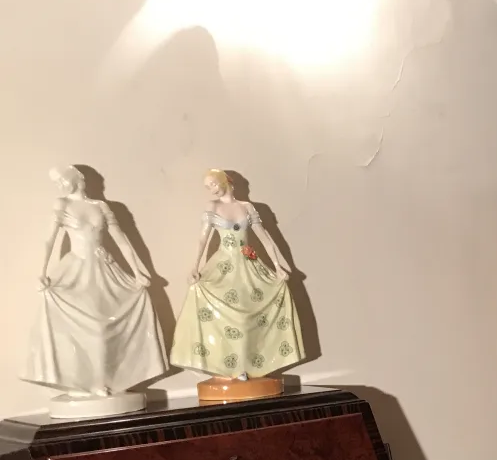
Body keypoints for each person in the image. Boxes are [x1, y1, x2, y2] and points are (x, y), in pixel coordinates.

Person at [24, 165, 167, 404]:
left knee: (109, 326)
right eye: (57, 182)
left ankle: (106, 380)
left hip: (105, 269)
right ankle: (87, 383)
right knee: (90, 329)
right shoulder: (62, 205)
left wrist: (139, 272)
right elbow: (48, 239)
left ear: (76, 179)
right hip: (77, 271)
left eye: (62, 180)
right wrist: (42, 272)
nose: (60, 185)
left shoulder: (101, 206)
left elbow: (122, 241)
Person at [170, 170, 305, 393]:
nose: (212, 188)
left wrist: (278, 265)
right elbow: (203, 238)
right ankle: (230, 366)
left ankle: (250, 365)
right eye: (208, 186)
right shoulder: (212, 207)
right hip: (224, 265)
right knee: (226, 314)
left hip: (248, 264)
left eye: (213, 183)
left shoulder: (247, 207)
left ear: (226, 181)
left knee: (251, 314)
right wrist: (195, 266)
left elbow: (265, 237)